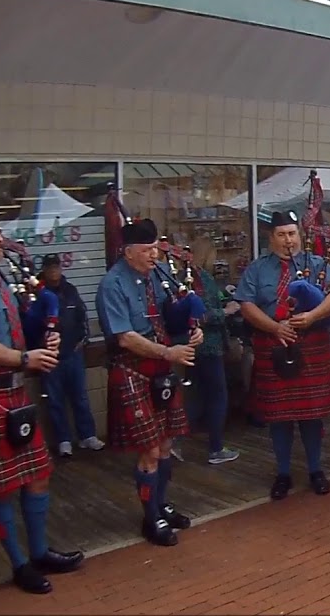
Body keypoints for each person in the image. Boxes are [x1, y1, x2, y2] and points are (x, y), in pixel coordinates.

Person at [0, 205, 84, 592]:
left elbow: (19, 331)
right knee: (1, 488)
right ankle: (19, 563)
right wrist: (25, 358)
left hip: (14, 393)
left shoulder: (1, 284)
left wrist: (46, 337)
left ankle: (40, 551)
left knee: (38, 476)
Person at [96, 218, 200, 547]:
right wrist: (169, 351)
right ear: (127, 252)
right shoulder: (112, 284)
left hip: (161, 367)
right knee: (150, 451)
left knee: (167, 444)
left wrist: (192, 328)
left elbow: (173, 312)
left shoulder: (157, 276)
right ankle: (150, 517)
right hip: (133, 369)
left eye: (155, 247)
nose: (154, 254)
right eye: (146, 250)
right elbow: (125, 337)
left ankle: (161, 504)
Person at [234, 210, 330, 500]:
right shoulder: (258, 269)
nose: (289, 240)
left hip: (310, 343)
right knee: (279, 418)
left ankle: (315, 470)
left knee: (312, 416)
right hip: (274, 345)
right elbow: (246, 305)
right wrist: (274, 327)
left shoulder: (317, 262)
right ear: (271, 238)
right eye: (283, 234)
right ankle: (283, 473)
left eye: (293, 233)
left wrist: (312, 316)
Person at [38, 254, 104, 457]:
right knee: (55, 401)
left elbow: (82, 317)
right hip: (50, 357)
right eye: (49, 268)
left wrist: (83, 340)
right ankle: (63, 440)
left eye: (56, 267)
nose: (54, 271)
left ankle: (87, 436)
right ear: (44, 271)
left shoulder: (71, 290)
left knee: (81, 397)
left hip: (73, 353)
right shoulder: (38, 293)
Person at [184, 238, 241, 466]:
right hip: (208, 345)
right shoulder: (195, 280)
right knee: (217, 396)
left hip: (198, 346)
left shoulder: (199, 277)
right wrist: (227, 311)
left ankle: (176, 440)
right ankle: (216, 448)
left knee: (197, 396)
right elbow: (201, 315)